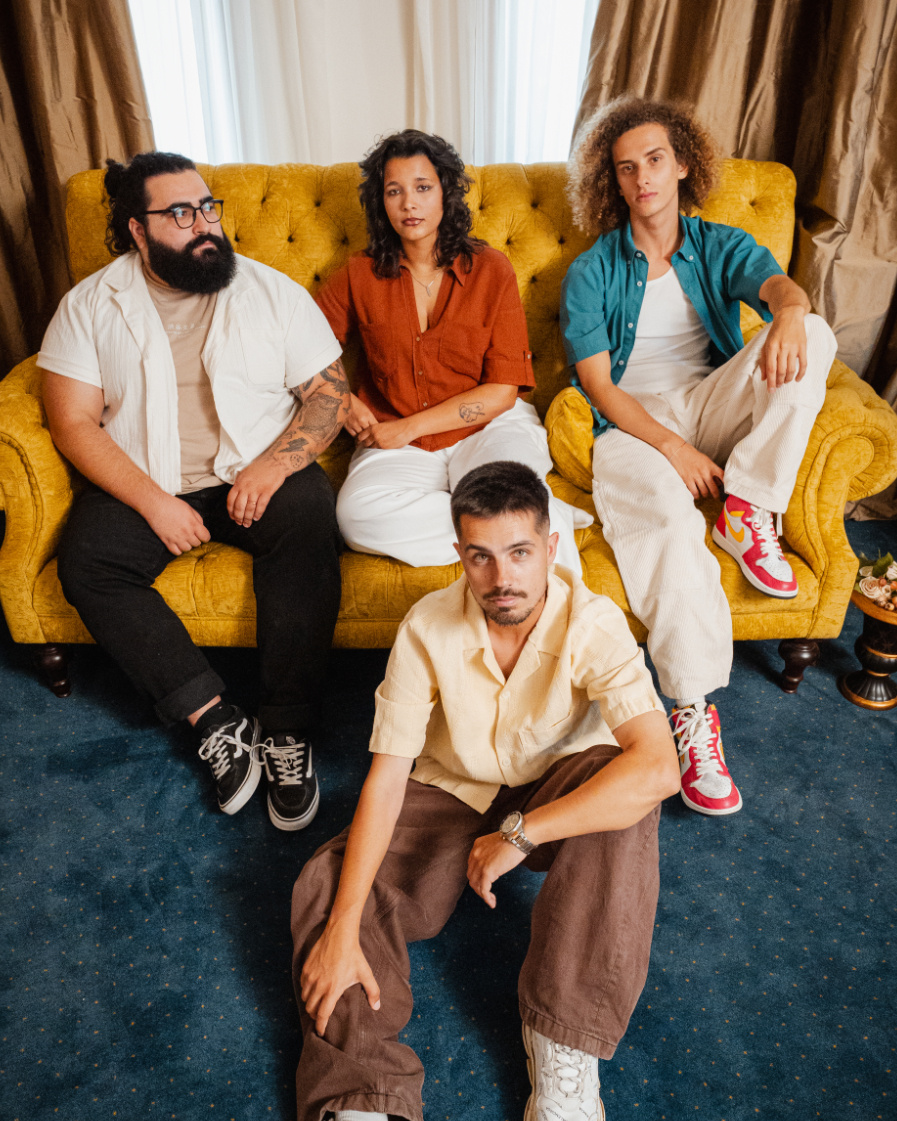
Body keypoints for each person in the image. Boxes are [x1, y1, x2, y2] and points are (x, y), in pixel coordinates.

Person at [290, 461, 680, 1121]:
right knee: (328, 885)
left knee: (624, 792)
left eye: (520, 553)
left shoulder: (594, 621)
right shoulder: (426, 625)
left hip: (559, 786)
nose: (503, 578)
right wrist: (344, 927)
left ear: (551, 547)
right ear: (460, 556)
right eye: (482, 557)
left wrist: (522, 834)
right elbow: (386, 777)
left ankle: (563, 1046)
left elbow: (659, 768)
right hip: (456, 786)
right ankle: (362, 1096)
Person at [38, 151, 350, 831]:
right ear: (137, 229)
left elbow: (329, 395)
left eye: (208, 207)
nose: (204, 223)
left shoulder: (271, 291)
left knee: (309, 516)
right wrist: (155, 502)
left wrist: (273, 467)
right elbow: (72, 423)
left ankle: (286, 727)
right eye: (180, 213)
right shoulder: (89, 306)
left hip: (255, 471)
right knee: (87, 560)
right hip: (147, 478)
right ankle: (213, 718)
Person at [561, 97, 838, 817]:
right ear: (614, 182)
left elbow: (779, 287)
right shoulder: (592, 271)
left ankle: (749, 507)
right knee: (666, 521)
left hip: (711, 401)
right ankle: (690, 712)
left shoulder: (718, 244)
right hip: (631, 426)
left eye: (654, 160)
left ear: (682, 164)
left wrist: (790, 312)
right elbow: (598, 386)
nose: (642, 178)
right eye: (627, 168)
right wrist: (672, 448)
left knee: (816, 336)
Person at [315, 129, 589, 575]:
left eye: (423, 187)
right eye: (394, 191)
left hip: (487, 426)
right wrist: (341, 400)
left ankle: (545, 567)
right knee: (355, 517)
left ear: (445, 192)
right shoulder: (359, 273)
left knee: (506, 494)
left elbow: (501, 392)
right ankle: (535, 519)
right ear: (380, 203)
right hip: (395, 440)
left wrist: (409, 427)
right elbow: (299, 349)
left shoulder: (492, 269)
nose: (409, 204)